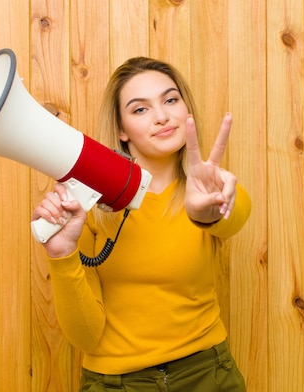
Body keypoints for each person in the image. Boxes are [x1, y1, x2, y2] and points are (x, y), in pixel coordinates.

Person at [32, 57, 251, 391]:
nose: (162, 116)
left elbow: (234, 218)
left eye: (170, 100)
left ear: (185, 109)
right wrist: (62, 254)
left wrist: (206, 213)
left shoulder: (213, 190)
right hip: (116, 383)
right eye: (140, 109)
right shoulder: (89, 206)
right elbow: (85, 336)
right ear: (121, 129)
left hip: (208, 374)